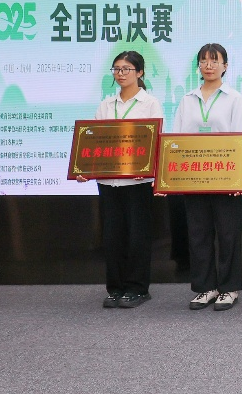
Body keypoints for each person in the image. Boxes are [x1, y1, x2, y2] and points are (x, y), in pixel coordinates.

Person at [81, 50, 163, 309]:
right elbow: (94, 142)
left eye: (126, 69)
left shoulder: (150, 103)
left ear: (140, 72)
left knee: (137, 237)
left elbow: (155, 142)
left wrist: (149, 169)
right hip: (109, 183)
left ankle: (138, 288)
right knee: (112, 237)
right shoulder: (106, 105)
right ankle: (115, 288)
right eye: (116, 69)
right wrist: (85, 168)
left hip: (137, 182)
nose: (120, 73)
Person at [171, 43, 242, 311]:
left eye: (215, 61)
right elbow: (177, 140)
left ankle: (229, 288)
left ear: (225, 66)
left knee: (228, 234)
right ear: (198, 66)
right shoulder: (187, 99)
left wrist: (240, 178)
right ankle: (205, 287)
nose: (209, 65)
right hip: (193, 176)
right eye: (204, 61)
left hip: (225, 176)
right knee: (198, 234)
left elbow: (241, 138)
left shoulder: (234, 98)